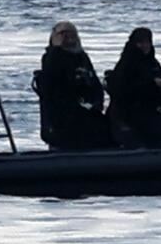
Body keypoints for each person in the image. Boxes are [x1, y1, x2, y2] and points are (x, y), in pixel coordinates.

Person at [35, 21, 114, 150]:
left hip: (88, 114)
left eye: (71, 34)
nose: (68, 38)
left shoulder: (82, 57)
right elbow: (54, 92)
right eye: (63, 34)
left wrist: (95, 103)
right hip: (64, 119)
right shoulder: (52, 58)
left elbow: (95, 85)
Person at [107, 27, 161, 148]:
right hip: (132, 113)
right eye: (140, 42)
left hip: (153, 110)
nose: (144, 46)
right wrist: (151, 84)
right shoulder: (126, 64)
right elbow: (123, 90)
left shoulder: (152, 63)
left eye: (147, 42)